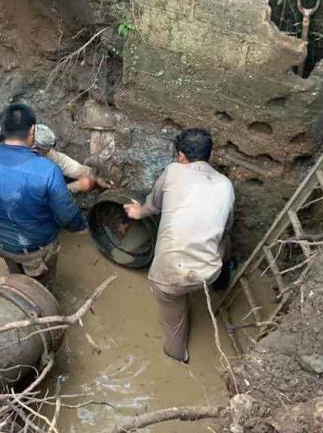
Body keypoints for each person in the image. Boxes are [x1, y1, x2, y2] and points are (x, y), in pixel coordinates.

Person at [124, 129, 234, 363]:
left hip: (170, 276)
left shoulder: (173, 171)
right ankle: (222, 282)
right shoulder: (226, 185)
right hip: (209, 271)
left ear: (181, 156)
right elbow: (226, 227)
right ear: (208, 155)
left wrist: (138, 212)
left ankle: (177, 357)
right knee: (224, 239)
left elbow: (153, 206)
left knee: (173, 321)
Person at [0, 104, 88, 283]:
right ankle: (42, 296)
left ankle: (15, 280)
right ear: (33, 130)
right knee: (41, 285)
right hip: (34, 249)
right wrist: (80, 227)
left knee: (15, 273)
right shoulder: (48, 170)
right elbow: (66, 215)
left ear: (1, 129)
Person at [34, 124, 112, 193]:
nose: (47, 153)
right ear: (35, 148)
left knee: (86, 182)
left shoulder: (44, 154)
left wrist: (94, 175)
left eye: (48, 151)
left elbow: (64, 163)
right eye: (45, 151)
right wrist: (73, 187)